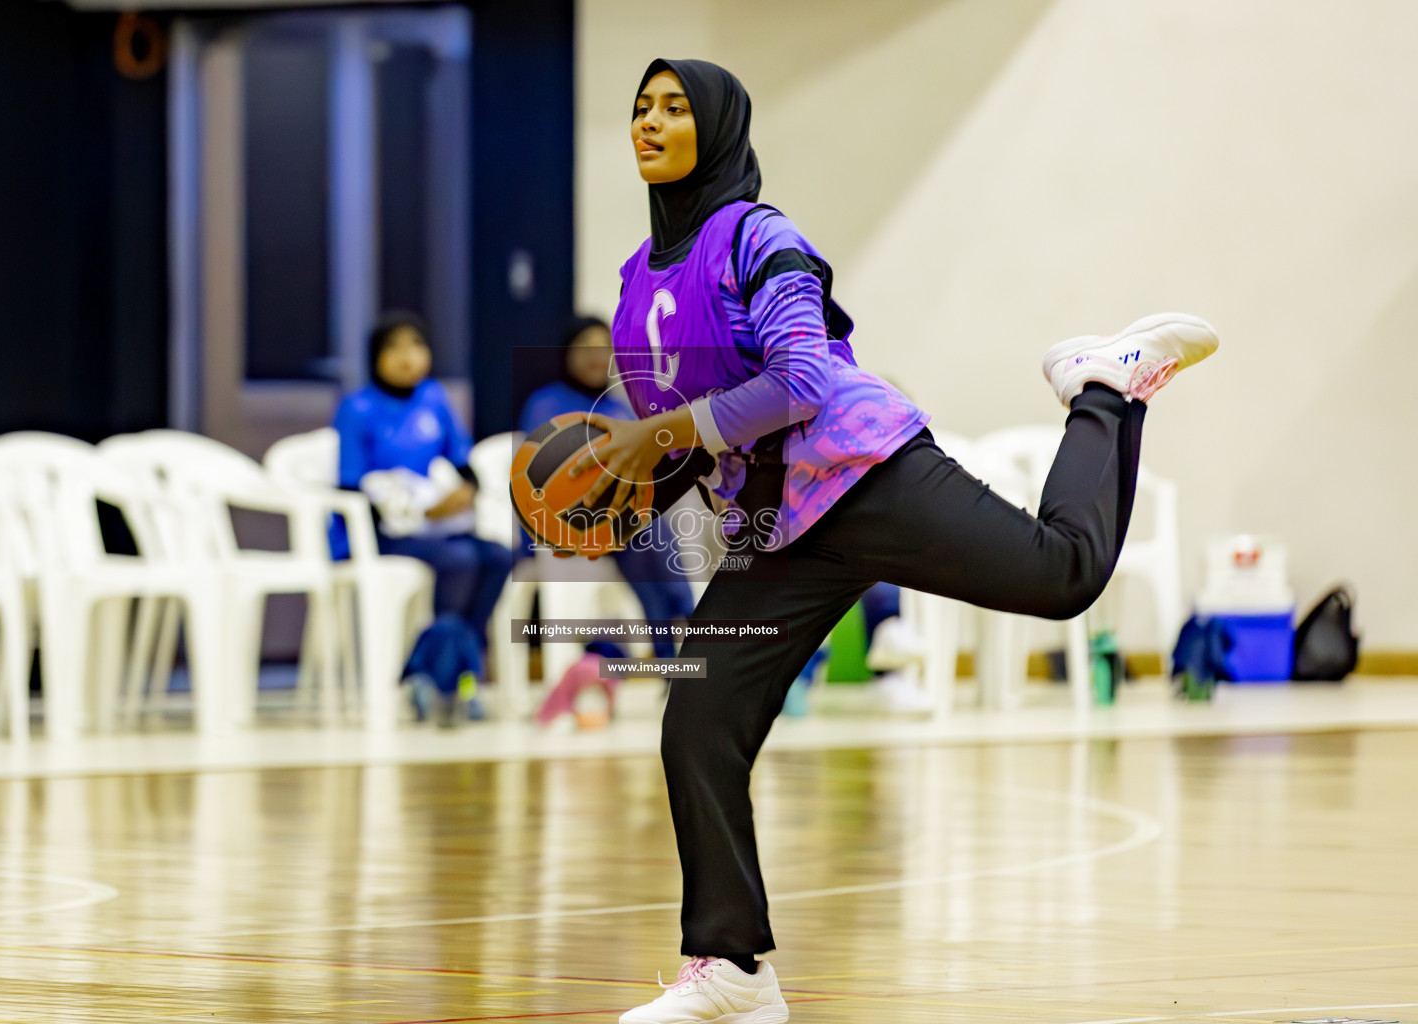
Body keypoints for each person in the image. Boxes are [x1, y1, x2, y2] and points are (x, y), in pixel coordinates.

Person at [557, 60, 1218, 1023]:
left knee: (1066, 574)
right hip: (773, 522)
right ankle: (734, 970)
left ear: (721, 129)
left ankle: (1104, 386)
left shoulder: (759, 236)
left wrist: (661, 436)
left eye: (675, 108)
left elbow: (801, 381)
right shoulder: (632, 289)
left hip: (861, 472)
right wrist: (609, 510)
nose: (650, 123)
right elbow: (686, 445)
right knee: (699, 717)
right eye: (640, 108)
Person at [333, 312, 511, 723]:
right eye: (393, 347)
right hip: (377, 532)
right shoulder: (357, 408)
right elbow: (349, 487)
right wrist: (418, 510)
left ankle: (446, 664)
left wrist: (465, 493)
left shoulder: (434, 399)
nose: (406, 357)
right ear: (375, 357)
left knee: (498, 556)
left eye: (415, 345)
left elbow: (464, 463)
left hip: (438, 528)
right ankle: (445, 677)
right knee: (461, 561)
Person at [518, 316, 696, 660]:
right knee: (647, 528)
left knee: (647, 539)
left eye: (604, 348)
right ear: (567, 353)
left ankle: (669, 655)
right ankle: (688, 616)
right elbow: (540, 472)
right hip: (563, 520)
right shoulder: (545, 404)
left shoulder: (620, 409)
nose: (596, 357)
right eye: (586, 347)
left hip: (617, 524)